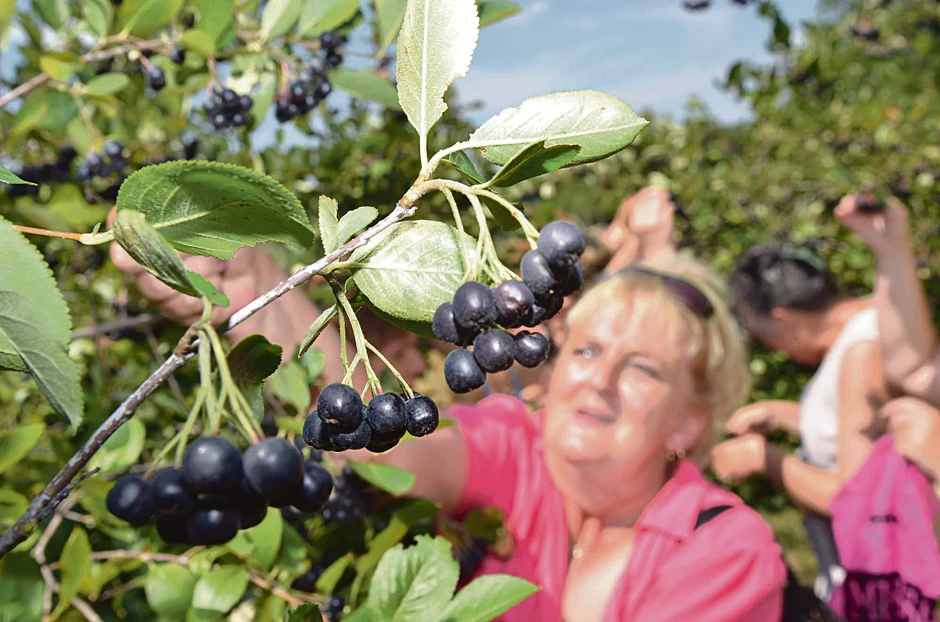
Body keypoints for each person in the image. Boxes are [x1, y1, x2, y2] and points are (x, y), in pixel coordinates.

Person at [348, 252, 786, 621]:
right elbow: (367, 453)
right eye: (588, 350)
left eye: (643, 368)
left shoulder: (725, 553)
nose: (600, 378)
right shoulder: (514, 446)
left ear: (688, 422)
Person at [711, 241, 889, 601]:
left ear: (782, 318)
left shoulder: (863, 350)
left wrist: (766, 459)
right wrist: (785, 415)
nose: (770, 345)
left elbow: (854, 496)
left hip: (873, 595)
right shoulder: (867, 331)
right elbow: (862, 436)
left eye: (759, 331)